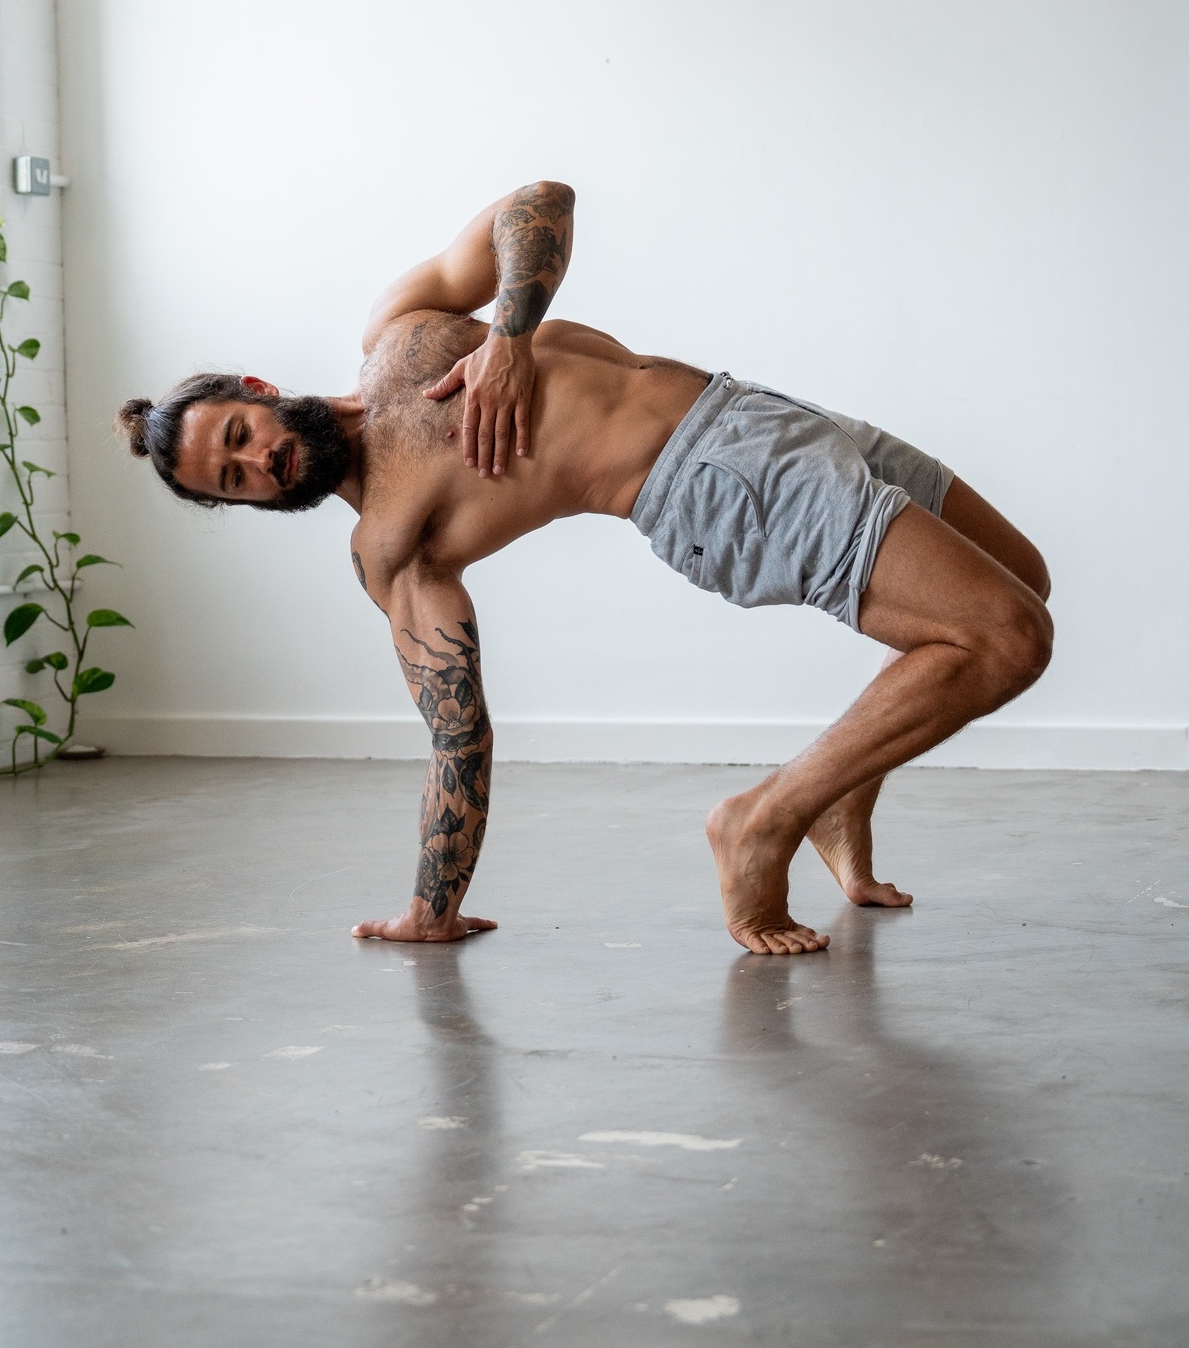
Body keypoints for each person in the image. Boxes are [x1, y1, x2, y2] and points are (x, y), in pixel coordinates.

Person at [116, 183, 1052, 955]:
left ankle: (840, 800)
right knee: (1004, 637)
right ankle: (762, 819)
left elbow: (540, 201)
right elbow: (456, 732)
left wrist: (508, 339)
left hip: (751, 410)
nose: (259, 463)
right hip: (716, 481)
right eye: (234, 481)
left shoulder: (398, 331)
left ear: (258, 392)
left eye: (238, 437)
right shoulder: (391, 545)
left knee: (1018, 576)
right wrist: (431, 910)